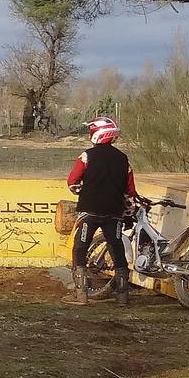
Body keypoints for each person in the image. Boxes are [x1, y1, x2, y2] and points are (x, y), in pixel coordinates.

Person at [65, 115, 138, 306]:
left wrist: (84, 190)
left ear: (97, 134)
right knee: (117, 248)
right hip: (114, 212)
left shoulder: (87, 156)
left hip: (89, 210)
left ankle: (81, 294)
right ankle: (123, 296)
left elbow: (72, 182)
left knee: (80, 248)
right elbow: (130, 190)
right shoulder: (123, 159)